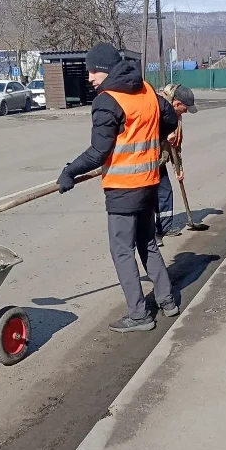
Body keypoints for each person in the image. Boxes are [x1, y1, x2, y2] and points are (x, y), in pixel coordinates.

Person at [57, 43, 180, 333]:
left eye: (93, 71)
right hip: (148, 183)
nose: (89, 77)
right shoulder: (146, 90)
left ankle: (139, 315)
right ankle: (167, 301)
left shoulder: (107, 100)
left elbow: (98, 152)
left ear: (105, 69)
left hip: (123, 190)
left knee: (122, 251)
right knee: (147, 243)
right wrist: (148, 140)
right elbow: (170, 118)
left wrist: (70, 171)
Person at [155, 84, 198, 246]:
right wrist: (164, 133)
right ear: (177, 103)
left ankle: (164, 227)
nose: (185, 112)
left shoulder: (176, 117)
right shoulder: (156, 108)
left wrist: (178, 169)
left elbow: (176, 146)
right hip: (145, 162)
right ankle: (151, 235)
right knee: (148, 198)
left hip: (160, 162)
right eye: (185, 109)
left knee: (165, 192)